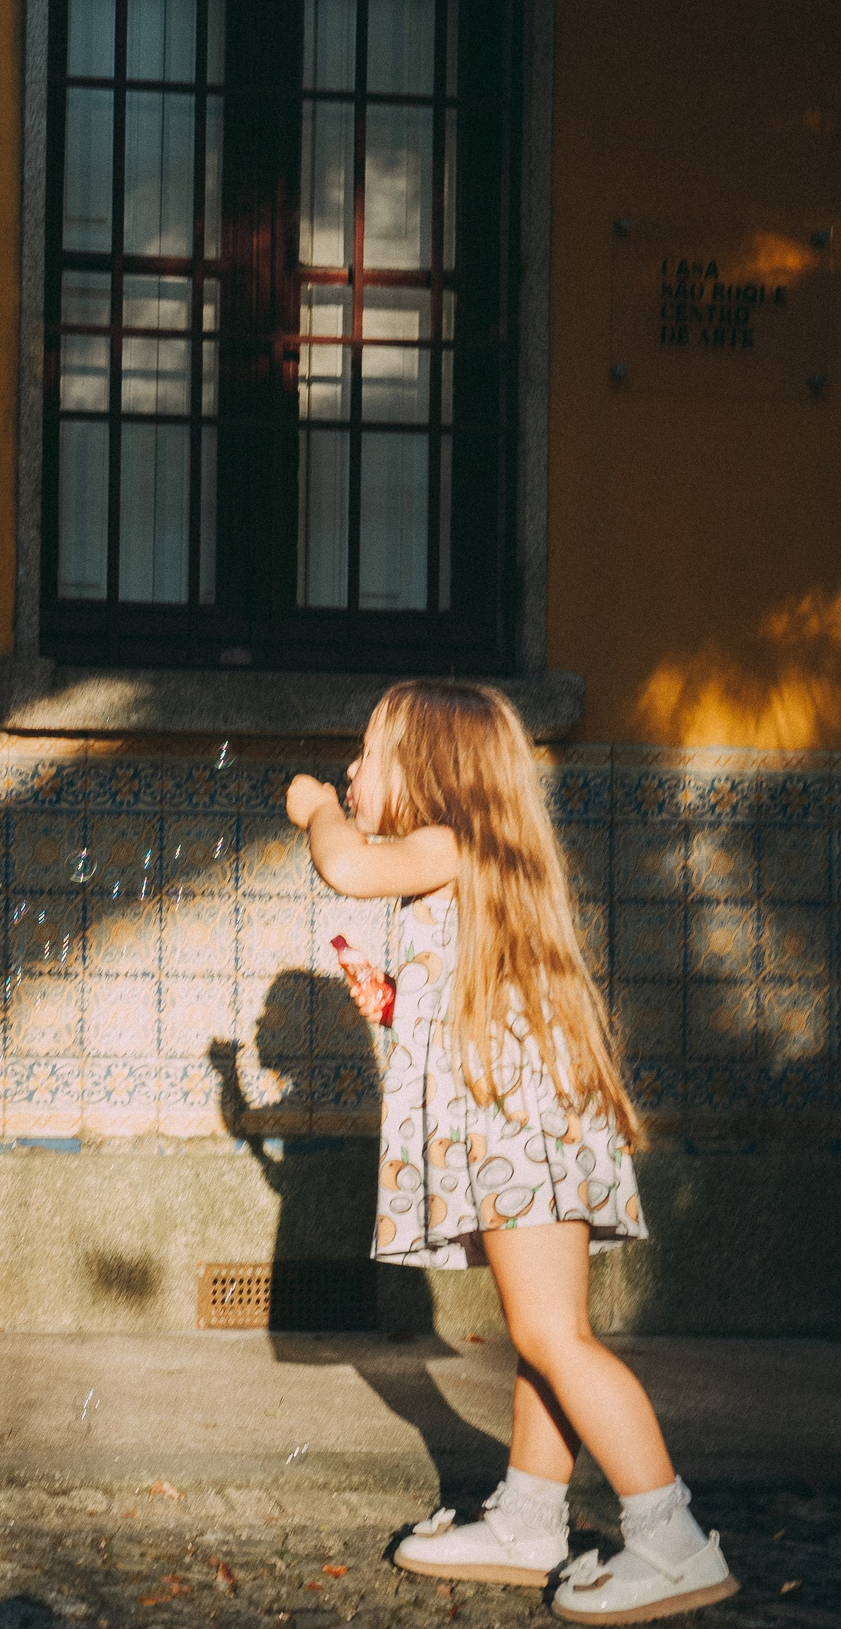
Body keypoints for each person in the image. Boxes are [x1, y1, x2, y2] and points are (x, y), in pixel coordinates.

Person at [287, 681, 738, 1624]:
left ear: (433, 774)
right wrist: (405, 1006)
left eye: (368, 754)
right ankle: (530, 1515)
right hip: (527, 1135)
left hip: (518, 1141)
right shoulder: (480, 863)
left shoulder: (447, 843)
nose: (351, 771)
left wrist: (318, 810)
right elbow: (482, 1001)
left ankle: (672, 1538)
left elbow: (344, 866)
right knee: (545, 1333)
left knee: (557, 1338)